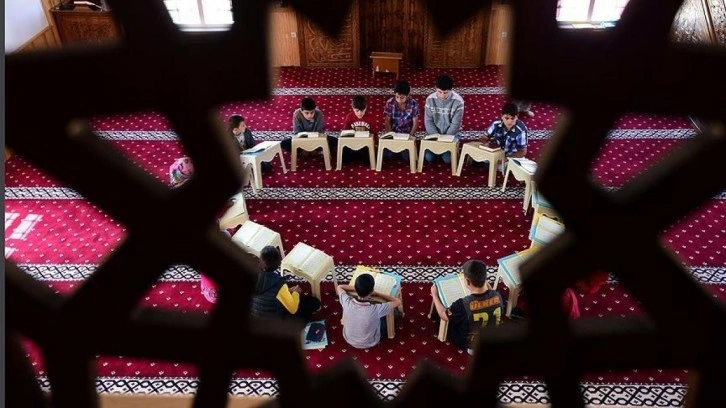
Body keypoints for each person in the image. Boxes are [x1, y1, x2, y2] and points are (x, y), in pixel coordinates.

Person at [430, 259, 504, 353]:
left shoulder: (462, 304)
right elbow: (491, 291)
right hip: (491, 339)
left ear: (468, 282)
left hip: (471, 344)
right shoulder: (498, 296)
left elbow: (443, 314)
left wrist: (435, 294)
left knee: (442, 321)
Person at [250, 245, 321, 322]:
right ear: (278, 263)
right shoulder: (278, 283)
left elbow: (267, 291)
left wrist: (287, 290)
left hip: (254, 319)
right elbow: (293, 309)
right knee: (314, 303)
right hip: (274, 322)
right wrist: (296, 292)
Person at [335, 273, 402, 349]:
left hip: (349, 339)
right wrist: (378, 294)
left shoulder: (347, 302)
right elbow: (398, 301)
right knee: (394, 313)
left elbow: (339, 287)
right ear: (372, 291)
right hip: (370, 342)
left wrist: (359, 288)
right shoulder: (376, 309)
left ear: (356, 288)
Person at [424, 74, 465, 163]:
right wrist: (436, 137)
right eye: (439, 92)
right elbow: (428, 121)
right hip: (433, 135)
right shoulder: (430, 99)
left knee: (448, 159)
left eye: (445, 93)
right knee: (429, 158)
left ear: (451, 90)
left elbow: (455, 124)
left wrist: (444, 140)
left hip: (451, 136)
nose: (442, 95)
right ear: (435, 88)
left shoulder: (458, 101)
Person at [382, 80, 419, 160]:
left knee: (407, 157)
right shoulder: (390, 103)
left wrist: (410, 137)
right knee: (387, 155)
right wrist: (390, 135)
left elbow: (415, 123)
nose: (399, 100)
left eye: (402, 98)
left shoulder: (413, 104)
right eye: (397, 97)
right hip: (393, 133)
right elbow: (387, 121)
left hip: (406, 134)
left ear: (407, 96)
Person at [341, 96, 377, 163]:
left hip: (365, 144)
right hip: (352, 144)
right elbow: (345, 133)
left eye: (362, 111)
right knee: (344, 157)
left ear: (366, 108)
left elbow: (374, 133)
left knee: (369, 159)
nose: (360, 113)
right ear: (353, 108)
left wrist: (375, 144)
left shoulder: (370, 117)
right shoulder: (349, 117)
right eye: (357, 110)